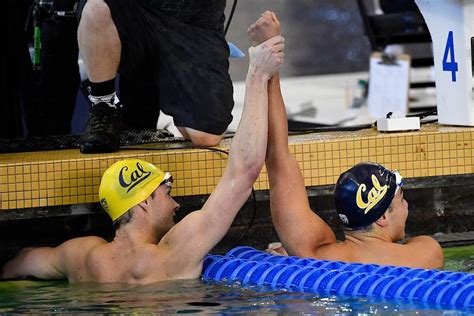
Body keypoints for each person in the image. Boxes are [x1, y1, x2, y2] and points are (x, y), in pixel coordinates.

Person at [1, 33, 285, 283]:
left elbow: (20, 262)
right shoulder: (173, 255)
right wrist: (258, 75)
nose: (176, 204)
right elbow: (244, 171)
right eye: (166, 192)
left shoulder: (82, 257)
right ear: (144, 202)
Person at [248, 12, 443, 269]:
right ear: (382, 216)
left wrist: (268, 53)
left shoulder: (314, 257)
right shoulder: (426, 254)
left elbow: (276, 154)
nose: (407, 207)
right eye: (401, 199)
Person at [77, 0, 235, 153]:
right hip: (136, 12)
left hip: (194, 21)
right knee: (95, 9)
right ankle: (103, 106)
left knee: (206, 136)